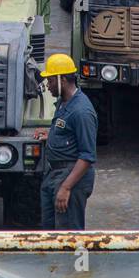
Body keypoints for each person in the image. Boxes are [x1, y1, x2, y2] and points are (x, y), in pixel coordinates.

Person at [32, 53, 98, 229]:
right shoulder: (63, 103)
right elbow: (67, 131)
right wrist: (52, 134)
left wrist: (66, 188)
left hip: (71, 176)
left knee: (67, 234)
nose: (48, 86)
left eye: (51, 81)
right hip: (54, 174)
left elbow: (87, 156)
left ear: (62, 80)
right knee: (49, 232)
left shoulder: (81, 112)